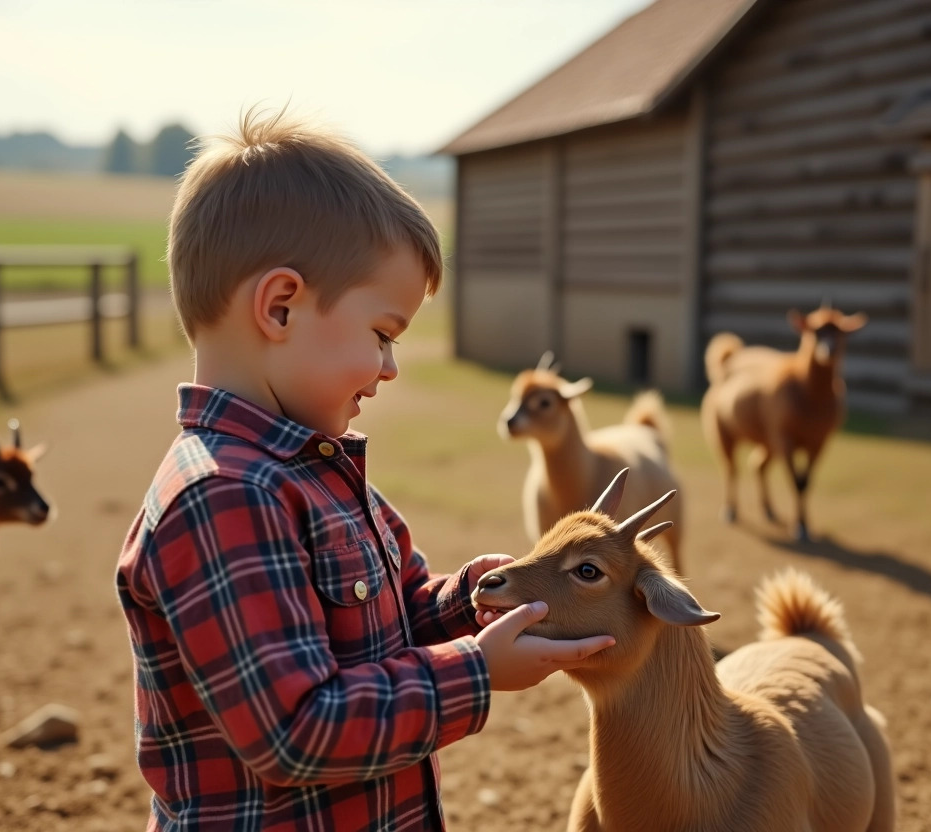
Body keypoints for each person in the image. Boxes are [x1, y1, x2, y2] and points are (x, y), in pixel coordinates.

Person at [115, 109, 614, 831]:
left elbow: (392, 619)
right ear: (280, 307)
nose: (390, 368)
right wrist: (477, 671)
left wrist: (476, 597)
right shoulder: (222, 498)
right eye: (382, 335)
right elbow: (298, 730)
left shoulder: (316, 471)